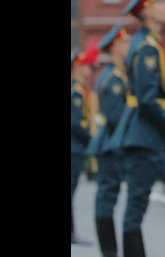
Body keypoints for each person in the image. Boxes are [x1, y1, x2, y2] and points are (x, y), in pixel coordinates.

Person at [107, 0, 165, 257]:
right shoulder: (147, 47)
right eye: (160, 2)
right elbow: (147, 99)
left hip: (141, 131)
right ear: (147, 11)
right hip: (143, 132)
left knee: (136, 205)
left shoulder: (148, 42)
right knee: (136, 206)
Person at [88, 23, 131, 257]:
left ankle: (109, 250)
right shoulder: (114, 79)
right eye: (125, 42)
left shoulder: (115, 75)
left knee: (107, 196)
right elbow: (116, 117)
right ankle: (109, 251)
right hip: (112, 144)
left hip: (109, 142)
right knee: (107, 198)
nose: (128, 46)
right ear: (115, 47)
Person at [72, 46, 97, 246]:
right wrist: (92, 139)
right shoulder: (76, 93)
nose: (89, 71)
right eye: (87, 67)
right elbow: (75, 122)